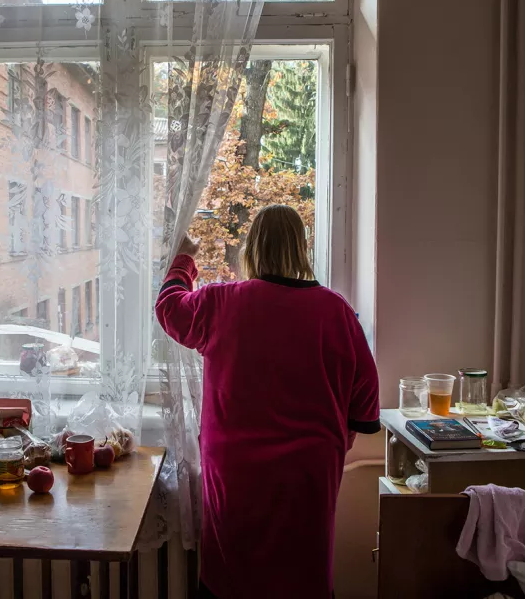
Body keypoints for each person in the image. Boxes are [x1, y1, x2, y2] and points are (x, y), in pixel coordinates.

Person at [155, 204, 380, 599]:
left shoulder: (221, 303)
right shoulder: (336, 311)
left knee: (233, 574)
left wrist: (184, 261)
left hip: (235, 470)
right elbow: (365, 396)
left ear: (251, 248)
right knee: (302, 569)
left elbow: (169, 308)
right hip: (309, 472)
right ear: (300, 250)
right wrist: (342, 435)